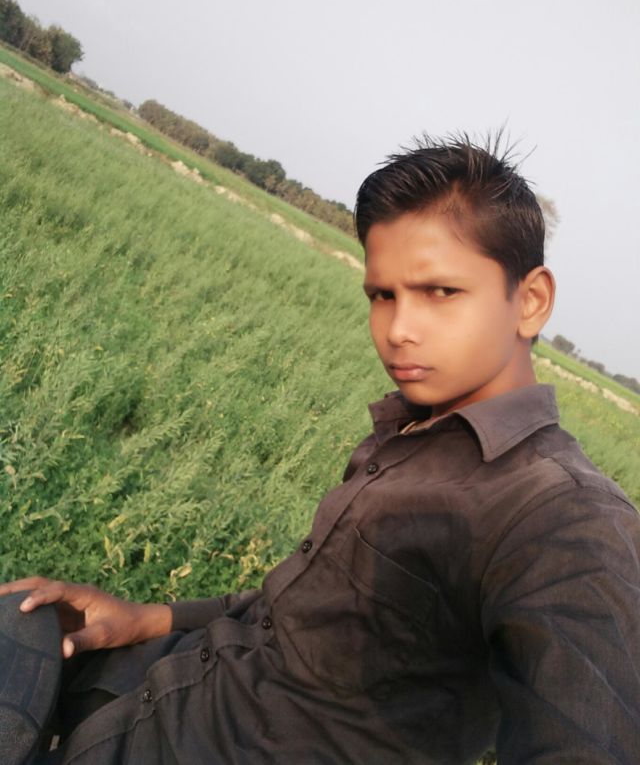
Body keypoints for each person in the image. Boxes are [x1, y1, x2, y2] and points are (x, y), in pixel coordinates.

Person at [1, 134, 639, 764]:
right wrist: (151, 618)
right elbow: (298, 608)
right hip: (164, 685)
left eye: (440, 292)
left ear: (530, 301)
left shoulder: (564, 516)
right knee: (20, 614)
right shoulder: (408, 430)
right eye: (382, 295)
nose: (398, 330)